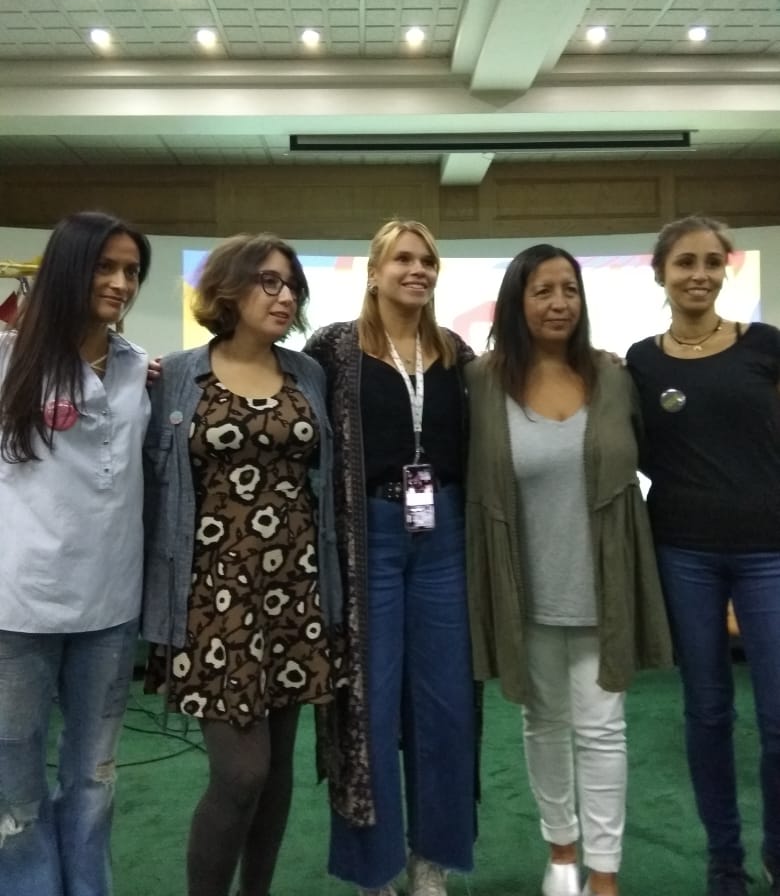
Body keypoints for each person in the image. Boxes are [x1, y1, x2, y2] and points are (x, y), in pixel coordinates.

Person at [466, 244, 672, 896]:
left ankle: (603, 872)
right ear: (516, 302)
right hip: (523, 591)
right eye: (543, 291)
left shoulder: (614, 378)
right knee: (544, 724)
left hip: (602, 587)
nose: (559, 303)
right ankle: (561, 854)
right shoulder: (481, 382)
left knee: (603, 731)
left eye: (570, 290)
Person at [141, 233, 342, 896]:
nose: (284, 297)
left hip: (295, 587)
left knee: (277, 771)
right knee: (241, 773)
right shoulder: (178, 374)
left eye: (291, 286)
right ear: (228, 289)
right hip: (212, 594)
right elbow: (148, 480)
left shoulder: (306, 374)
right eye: (268, 281)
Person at [305, 219, 476, 896]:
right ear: (374, 272)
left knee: (445, 705)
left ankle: (431, 858)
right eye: (403, 259)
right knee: (367, 703)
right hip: (367, 537)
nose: (417, 269)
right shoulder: (334, 348)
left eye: (427, 260)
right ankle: (373, 869)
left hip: (444, 536)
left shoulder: (456, 352)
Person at [626, 216, 780, 896]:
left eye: (712, 262)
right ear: (660, 272)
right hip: (684, 551)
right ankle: (725, 861)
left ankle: (778, 852)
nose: (699, 274)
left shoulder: (765, 346)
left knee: (777, 719)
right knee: (709, 712)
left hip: (769, 551)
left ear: (726, 270)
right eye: (685, 262)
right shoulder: (641, 361)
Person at [0, 211, 152, 896]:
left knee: (93, 780)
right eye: (105, 267)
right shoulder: (9, 358)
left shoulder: (137, 368)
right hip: (18, 609)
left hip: (110, 610)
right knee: (15, 789)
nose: (121, 283)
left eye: (131, 271)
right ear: (68, 269)